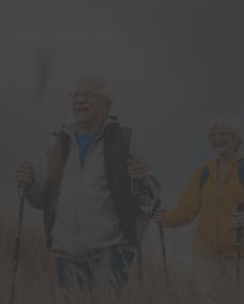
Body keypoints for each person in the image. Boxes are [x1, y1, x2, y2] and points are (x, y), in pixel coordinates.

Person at [14, 78, 161, 291]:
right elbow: (40, 197)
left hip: (112, 251)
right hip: (67, 254)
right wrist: (28, 183)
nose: (80, 100)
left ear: (107, 105)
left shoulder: (124, 139)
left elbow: (150, 196)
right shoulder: (59, 144)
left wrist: (141, 178)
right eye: (76, 95)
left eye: (89, 95)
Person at [153, 117, 244, 287]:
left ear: (235, 139)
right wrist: (168, 218)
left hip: (243, 251)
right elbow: (187, 206)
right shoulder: (205, 171)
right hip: (205, 252)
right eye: (212, 135)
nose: (217, 138)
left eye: (222, 134)